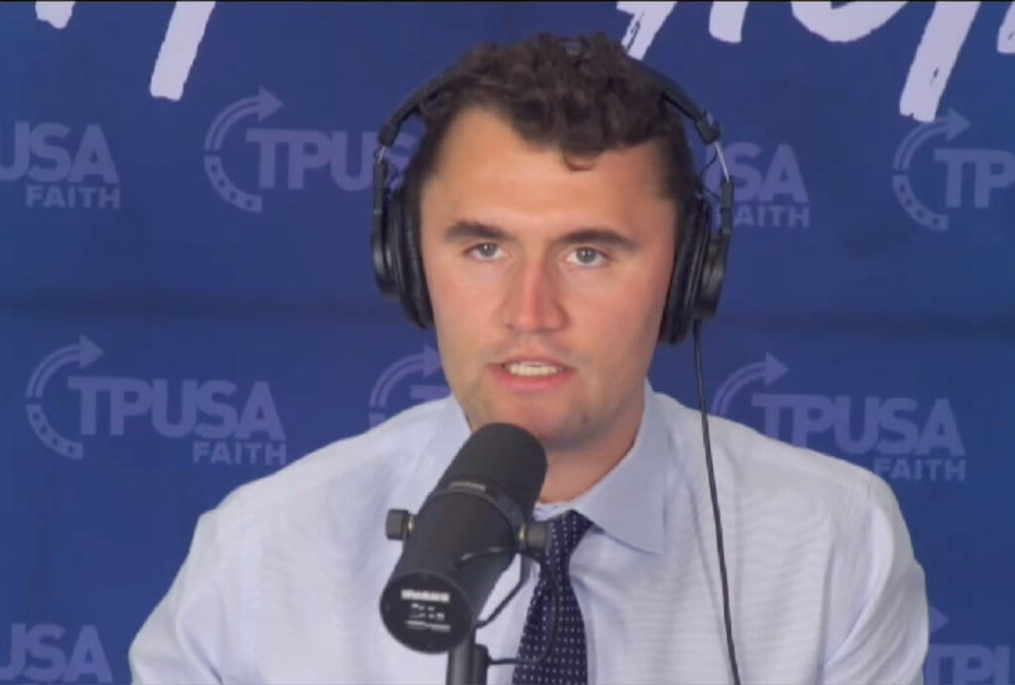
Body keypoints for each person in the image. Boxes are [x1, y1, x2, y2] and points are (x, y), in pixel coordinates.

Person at [128, 31, 929, 685]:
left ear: (687, 274)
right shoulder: (259, 553)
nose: (530, 311)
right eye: (484, 248)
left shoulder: (833, 543)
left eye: (588, 253)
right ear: (406, 262)